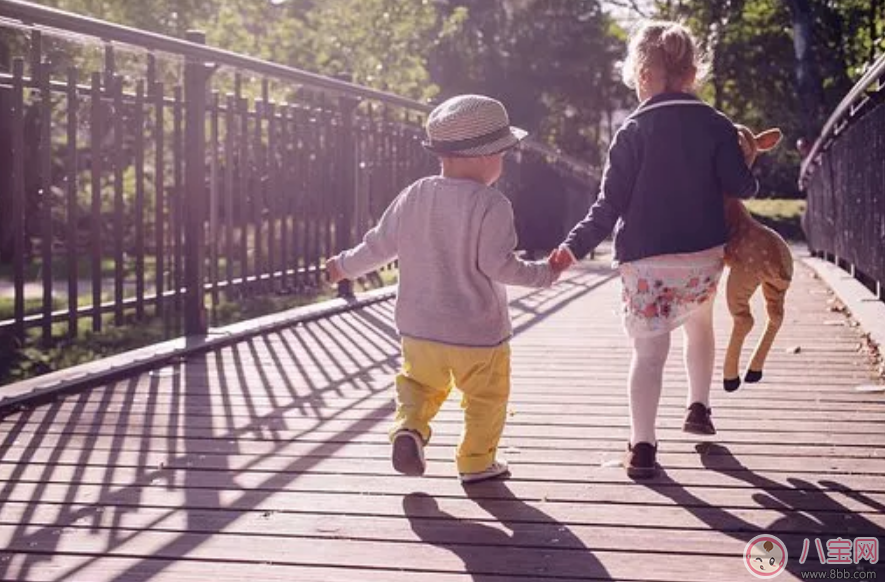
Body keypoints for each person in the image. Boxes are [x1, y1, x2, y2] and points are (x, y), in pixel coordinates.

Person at [549, 21, 758, 479]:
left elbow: (609, 205)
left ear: (643, 73)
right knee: (699, 323)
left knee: (648, 352)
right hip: (701, 256)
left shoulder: (633, 130)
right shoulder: (716, 124)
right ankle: (699, 408)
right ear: (692, 73)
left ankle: (642, 447)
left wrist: (572, 248)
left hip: (647, 261)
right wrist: (745, 157)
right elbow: (742, 187)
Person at [326, 94, 557, 484]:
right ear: (485, 157)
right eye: (502, 153)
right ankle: (476, 462)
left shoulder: (414, 195)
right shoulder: (492, 204)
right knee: (485, 399)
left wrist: (342, 266)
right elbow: (498, 266)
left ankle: (410, 429)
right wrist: (544, 273)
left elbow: (378, 247)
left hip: (419, 329)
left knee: (418, 385)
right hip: (478, 334)